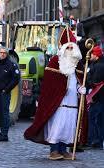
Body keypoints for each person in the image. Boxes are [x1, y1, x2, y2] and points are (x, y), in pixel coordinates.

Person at [24, 29, 87, 160]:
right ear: (63, 48)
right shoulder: (55, 62)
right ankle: (54, 150)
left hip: (72, 102)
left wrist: (81, 89)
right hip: (58, 103)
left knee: (68, 126)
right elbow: (49, 84)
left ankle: (63, 150)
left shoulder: (78, 65)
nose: (70, 50)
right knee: (58, 125)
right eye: (68, 47)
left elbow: (80, 81)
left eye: (72, 47)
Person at [0, 47, 20, 142]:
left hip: (4, 93)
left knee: (4, 113)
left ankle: (4, 134)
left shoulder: (11, 65)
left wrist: (6, 90)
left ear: (7, 54)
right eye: (0, 53)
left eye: (4, 53)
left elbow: (16, 79)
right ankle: (2, 133)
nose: (2, 54)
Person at [86, 45, 104, 150]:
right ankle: (99, 141)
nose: (90, 56)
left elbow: (94, 83)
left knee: (93, 119)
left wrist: (92, 96)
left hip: (97, 97)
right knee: (100, 120)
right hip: (101, 98)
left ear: (96, 55)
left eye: (92, 54)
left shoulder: (97, 67)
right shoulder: (99, 64)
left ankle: (93, 140)